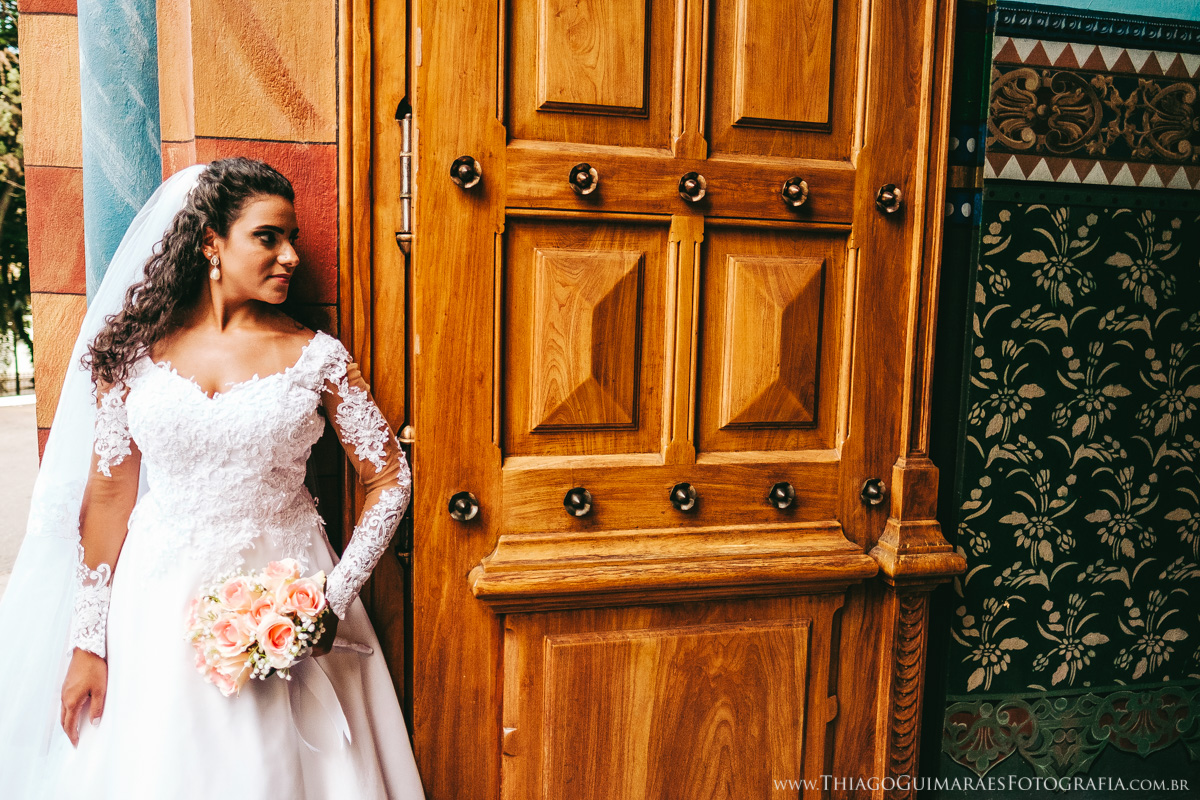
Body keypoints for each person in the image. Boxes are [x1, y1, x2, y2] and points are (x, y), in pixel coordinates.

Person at [0, 158, 426, 798]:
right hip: (155, 603)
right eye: (267, 237)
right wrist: (88, 642)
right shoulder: (134, 357)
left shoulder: (317, 357)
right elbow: (109, 497)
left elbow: (390, 478)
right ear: (210, 243)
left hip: (286, 596)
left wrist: (331, 599)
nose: (290, 256)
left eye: (292, 239)